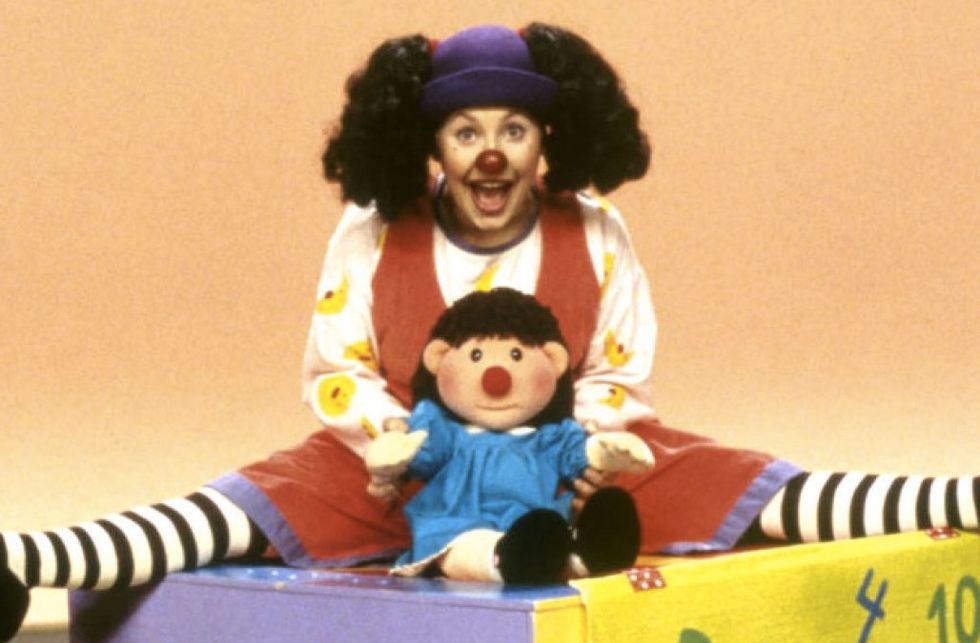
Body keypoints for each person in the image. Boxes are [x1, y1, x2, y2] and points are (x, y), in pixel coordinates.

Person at [1, 22, 976, 640]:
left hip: (562, 463)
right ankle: (25, 559)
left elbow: (618, 369)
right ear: (431, 144)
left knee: (744, 483)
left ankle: (960, 498)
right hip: (405, 471)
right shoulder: (370, 231)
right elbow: (338, 368)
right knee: (242, 505)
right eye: (467, 132)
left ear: (546, 139)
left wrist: (588, 444)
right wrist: (391, 440)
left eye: (513, 129)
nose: (491, 153)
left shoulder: (595, 229)